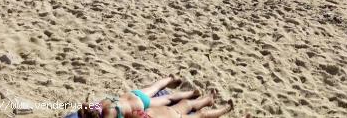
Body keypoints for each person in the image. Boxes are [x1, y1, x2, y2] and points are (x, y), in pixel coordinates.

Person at [76, 76, 234, 118]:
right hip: (134, 95)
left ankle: (215, 103)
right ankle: (172, 79)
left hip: (162, 110)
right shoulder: (103, 103)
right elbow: (92, 106)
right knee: (157, 88)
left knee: (193, 110)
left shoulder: (109, 115)